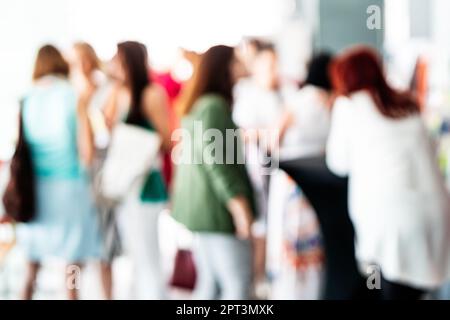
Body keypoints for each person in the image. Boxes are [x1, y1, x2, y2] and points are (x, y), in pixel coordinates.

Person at [326, 46, 450, 300]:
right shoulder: (407, 104)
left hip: (390, 222)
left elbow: (338, 163)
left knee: (387, 286)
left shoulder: (348, 105)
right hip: (435, 214)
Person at [172, 45, 256, 300]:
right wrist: (239, 206)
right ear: (225, 67)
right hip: (216, 211)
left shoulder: (203, 104)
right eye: (237, 61)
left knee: (211, 283)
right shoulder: (214, 106)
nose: (242, 66)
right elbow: (216, 161)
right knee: (237, 283)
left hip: (204, 210)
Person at [17, 45, 101, 300]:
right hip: (69, 188)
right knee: (71, 265)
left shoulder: (27, 97)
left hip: (34, 190)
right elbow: (87, 153)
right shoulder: (72, 95)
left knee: (31, 265)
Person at [103, 41, 171, 299]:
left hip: (145, 182)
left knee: (148, 256)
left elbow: (166, 139)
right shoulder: (119, 92)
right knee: (135, 255)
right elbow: (106, 125)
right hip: (125, 184)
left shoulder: (152, 94)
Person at [266, 53, 334, 299]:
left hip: (292, 182)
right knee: (314, 247)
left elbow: (272, 139)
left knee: (290, 244)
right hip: (322, 184)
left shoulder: (298, 100)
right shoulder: (332, 103)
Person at [70, 42, 120, 300]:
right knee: (74, 253)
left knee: (104, 247)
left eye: (84, 59)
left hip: (98, 176)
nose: (82, 66)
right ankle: (73, 295)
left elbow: (98, 142)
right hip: (75, 182)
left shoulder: (104, 91)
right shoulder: (69, 95)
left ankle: (108, 296)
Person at [232, 42, 283, 296]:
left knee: (272, 224)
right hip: (256, 170)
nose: (275, 71)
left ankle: (263, 277)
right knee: (259, 226)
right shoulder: (248, 95)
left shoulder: (280, 94)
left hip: (275, 169)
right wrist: (268, 134)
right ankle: (255, 279)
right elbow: (240, 134)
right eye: (270, 66)